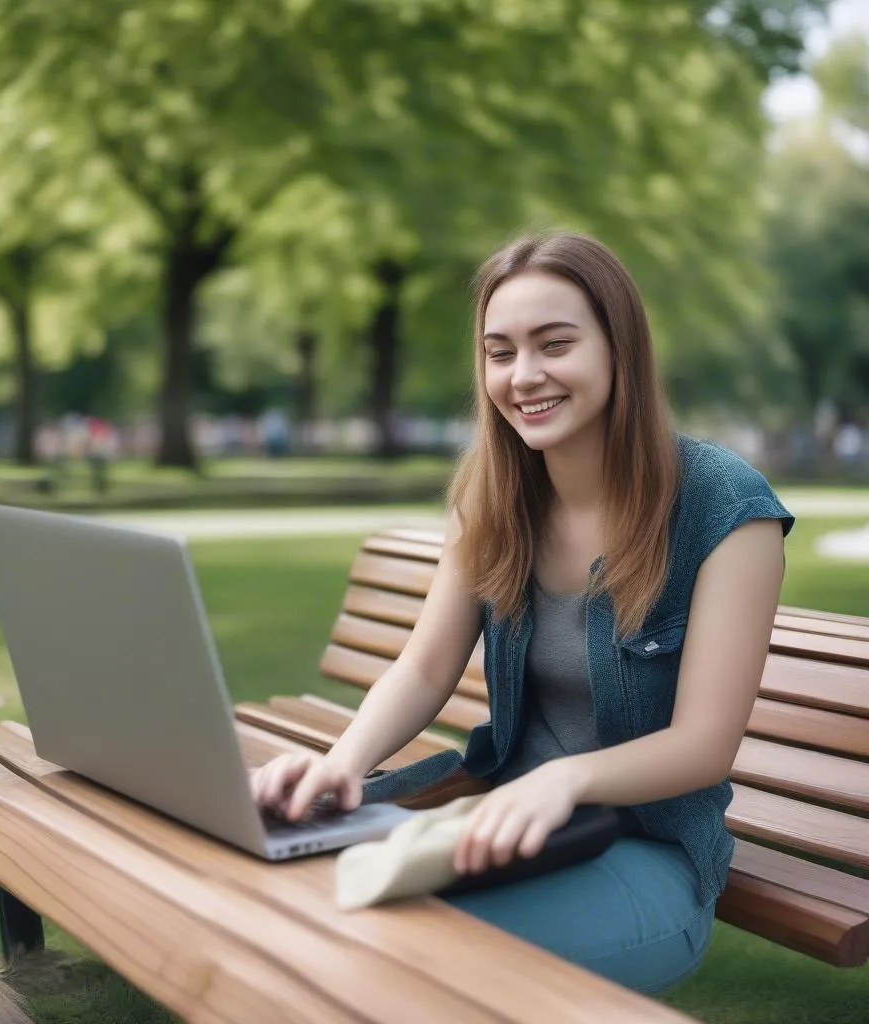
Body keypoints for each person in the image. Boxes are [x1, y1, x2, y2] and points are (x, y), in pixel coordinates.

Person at [249, 231, 793, 993]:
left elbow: (704, 744)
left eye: (555, 344)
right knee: (289, 883)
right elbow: (428, 665)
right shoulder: (493, 497)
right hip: (494, 825)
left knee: (393, 961)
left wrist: (566, 780)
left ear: (618, 349)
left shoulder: (726, 508)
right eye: (500, 352)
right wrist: (343, 763)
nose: (524, 375)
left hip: (646, 854)